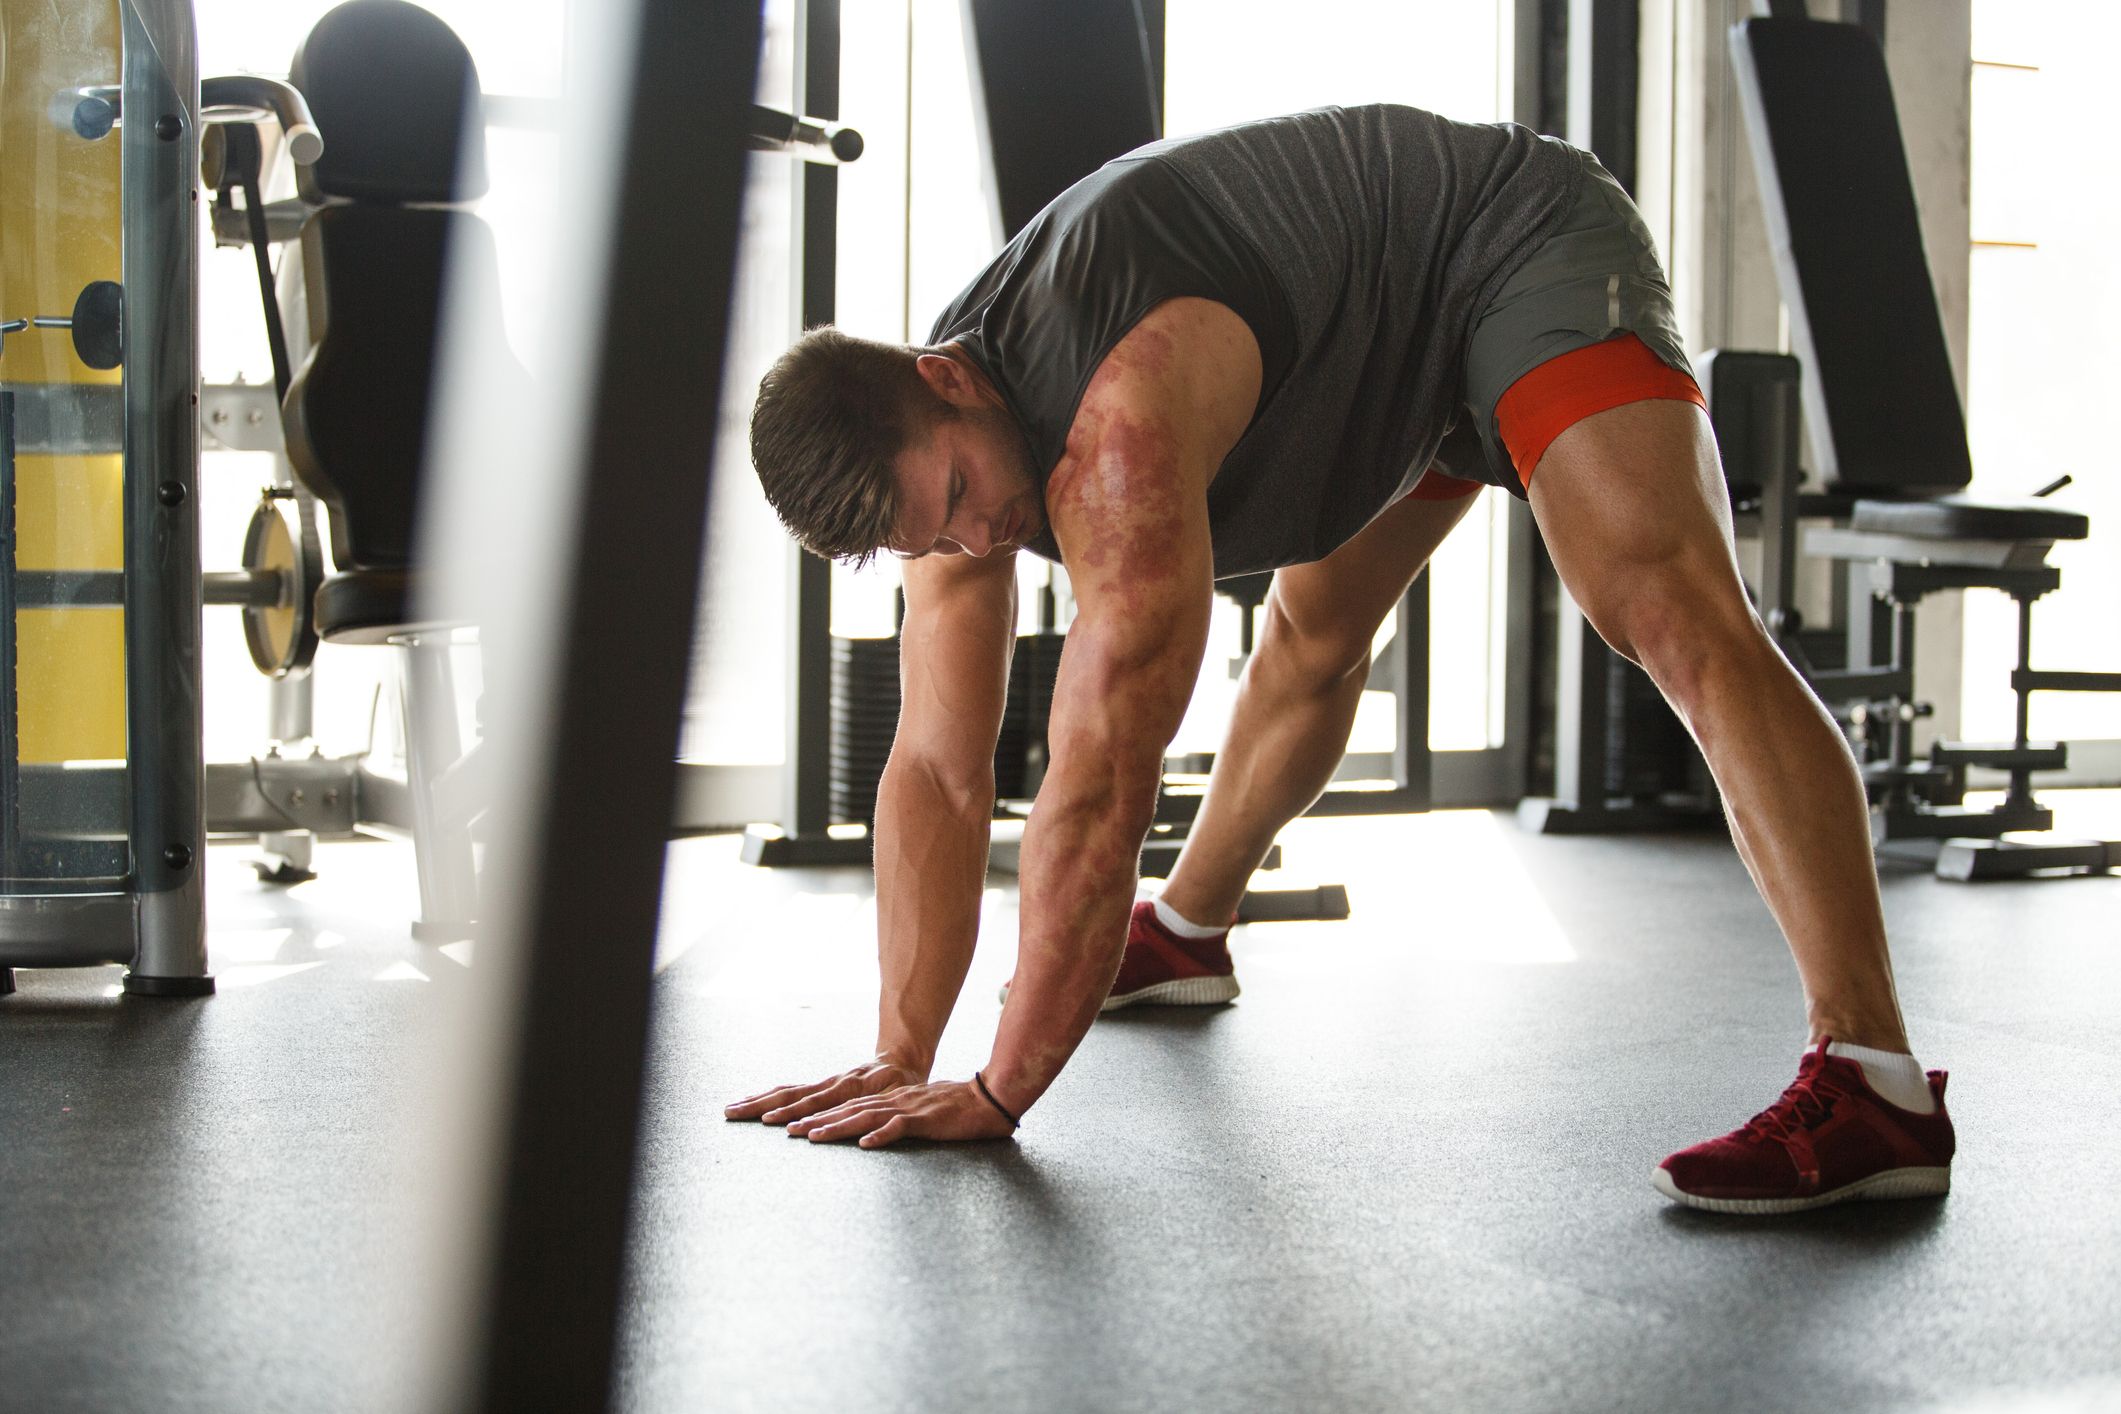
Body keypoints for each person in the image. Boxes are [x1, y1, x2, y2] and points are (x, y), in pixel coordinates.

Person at [726, 103, 1955, 1214]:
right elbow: (937, 772)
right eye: (924, 537)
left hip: (1497, 243)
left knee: (1669, 615)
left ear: (945, 382)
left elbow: (1098, 780)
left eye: (956, 497)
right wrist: (899, 1051)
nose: (970, 539)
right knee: (1311, 638)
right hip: (1369, 359)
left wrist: (995, 1096)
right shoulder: (946, 467)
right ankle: (1189, 932)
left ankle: (1874, 1076)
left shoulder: (1115, 434)